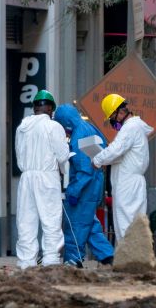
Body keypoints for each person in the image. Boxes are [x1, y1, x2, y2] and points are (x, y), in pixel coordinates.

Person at [15, 89, 71, 268]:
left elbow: (18, 154)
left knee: (26, 222)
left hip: (26, 177)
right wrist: (62, 171)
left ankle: (26, 262)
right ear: (50, 109)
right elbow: (62, 156)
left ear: (35, 108)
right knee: (51, 219)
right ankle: (50, 260)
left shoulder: (22, 128)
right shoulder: (54, 127)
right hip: (47, 177)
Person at [53, 104, 114, 267]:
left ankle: (74, 259)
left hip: (85, 187)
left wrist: (73, 191)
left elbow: (84, 170)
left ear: (65, 122)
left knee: (76, 223)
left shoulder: (78, 135)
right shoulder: (88, 127)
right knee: (89, 223)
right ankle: (108, 255)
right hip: (94, 184)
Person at [92, 93, 153, 240]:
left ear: (119, 112)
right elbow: (120, 153)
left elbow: (115, 150)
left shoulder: (129, 128)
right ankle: (136, 259)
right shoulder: (136, 127)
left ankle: (128, 260)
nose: (113, 122)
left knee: (125, 224)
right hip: (132, 182)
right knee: (134, 224)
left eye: (112, 118)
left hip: (127, 184)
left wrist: (97, 160)